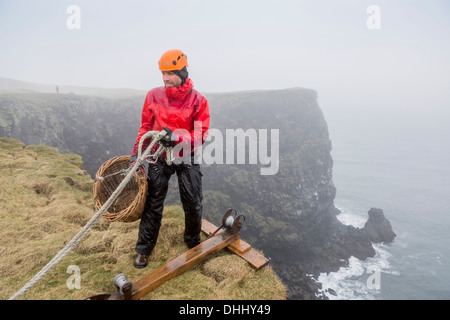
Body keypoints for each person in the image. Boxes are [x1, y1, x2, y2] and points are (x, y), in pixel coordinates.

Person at [129, 49, 210, 268]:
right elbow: (146, 127)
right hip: (158, 154)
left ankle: (192, 242)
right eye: (163, 73)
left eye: (170, 73)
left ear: (183, 72)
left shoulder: (198, 100)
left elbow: (201, 134)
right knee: (153, 202)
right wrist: (136, 154)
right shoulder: (153, 95)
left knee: (192, 202)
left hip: (185, 154)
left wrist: (177, 138)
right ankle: (144, 249)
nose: (165, 78)